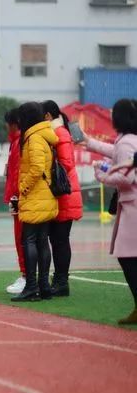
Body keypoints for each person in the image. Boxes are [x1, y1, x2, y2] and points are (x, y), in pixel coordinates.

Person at [82, 98, 137, 324]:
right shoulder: (130, 139)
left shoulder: (126, 142)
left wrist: (102, 176)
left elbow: (126, 177)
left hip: (132, 206)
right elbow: (116, 152)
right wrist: (90, 143)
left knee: (128, 257)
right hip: (131, 205)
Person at [12, 102, 59, 302]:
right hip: (45, 196)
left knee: (29, 240)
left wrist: (23, 187)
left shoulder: (34, 138)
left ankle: (32, 286)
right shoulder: (44, 135)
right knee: (41, 241)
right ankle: (44, 287)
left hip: (35, 196)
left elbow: (37, 168)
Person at [42, 100, 83, 297]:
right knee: (57, 239)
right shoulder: (56, 132)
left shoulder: (60, 133)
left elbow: (65, 163)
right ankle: (58, 280)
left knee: (60, 240)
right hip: (62, 193)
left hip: (64, 193)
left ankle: (61, 282)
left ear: (48, 116)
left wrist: (47, 174)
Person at [3, 108, 26, 294]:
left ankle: (27, 277)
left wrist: (15, 198)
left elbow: (19, 173)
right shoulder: (16, 142)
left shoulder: (20, 142)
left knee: (22, 238)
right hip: (17, 196)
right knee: (24, 239)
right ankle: (28, 276)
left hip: (19, 198)